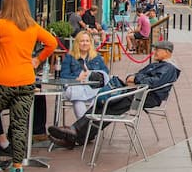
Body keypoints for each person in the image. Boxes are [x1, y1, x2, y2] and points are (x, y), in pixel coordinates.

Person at [0, 0, 57, 172]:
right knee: (19, 125)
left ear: (6, 6)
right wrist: (37, 60)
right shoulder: (32, 26)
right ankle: (17, 168)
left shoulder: (0, 25)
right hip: (26, 81)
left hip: (3, 82)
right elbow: (52, 43)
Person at [48, 40, 180, 148]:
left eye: (157, 50)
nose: (154, 52)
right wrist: (133, 78)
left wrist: (136, 79)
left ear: (167, 52)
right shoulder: (159, 65)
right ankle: (77, 133)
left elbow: (153, 82)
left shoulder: (168, 68)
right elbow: (137, 74)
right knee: (105, 100)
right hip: (137, 92)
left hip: (147, 96)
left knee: (110, 104)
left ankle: (77, 134)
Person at [60, 30, 110, 118]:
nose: (85, 43)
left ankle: (86, 126)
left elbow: (105, 72)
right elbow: (63, 75)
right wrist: (77, 78)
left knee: (97, 97)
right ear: (77, 43)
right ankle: (86, 126)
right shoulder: (70, 57)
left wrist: (93, 75)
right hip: (75, 87)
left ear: (90, 43)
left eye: (87, 41)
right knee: (77, 97)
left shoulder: (96, 57)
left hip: (92, 88)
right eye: (82, 41)